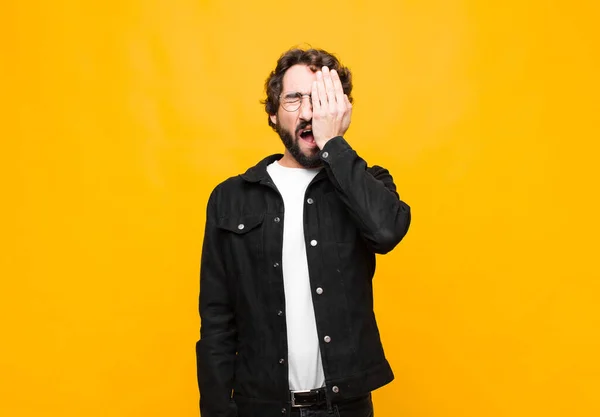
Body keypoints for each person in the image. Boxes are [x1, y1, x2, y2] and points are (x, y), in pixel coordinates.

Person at [196, 47, 411, 417]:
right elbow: (216, 321)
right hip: (259, 408)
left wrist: (334, 144)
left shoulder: (368, 183)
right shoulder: (230, 199)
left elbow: (386, 232)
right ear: (273, 113)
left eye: (321, 98)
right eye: (295, 98)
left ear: (340, 109)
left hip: (345, 408)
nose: (310, 111)